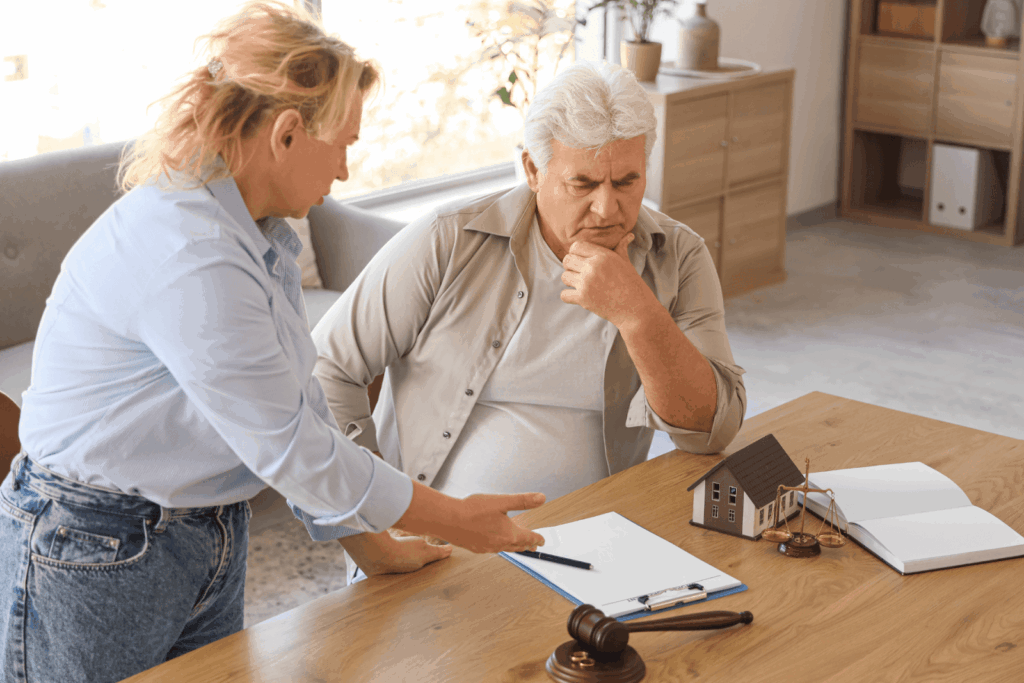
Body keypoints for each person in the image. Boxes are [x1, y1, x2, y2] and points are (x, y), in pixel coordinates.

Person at [0, 4, 544, 682]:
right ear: (287, 134)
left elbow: (297, 409)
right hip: (93, 543)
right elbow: (293, 450)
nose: (344, 172)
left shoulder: (256, 237)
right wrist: (457, 518)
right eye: (343, 144)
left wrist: (372, 547)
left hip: (203, 528)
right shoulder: (192, 251)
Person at [310, 61, 747, 573]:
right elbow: (325, 367)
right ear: (533, 171)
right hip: (439, 545)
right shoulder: (447, 239)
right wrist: (381, 514)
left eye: (627, 181)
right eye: (583, 183)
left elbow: (711, 431)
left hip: (597, 543)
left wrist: (638, 315)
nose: (607, 208)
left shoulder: (679, 256)